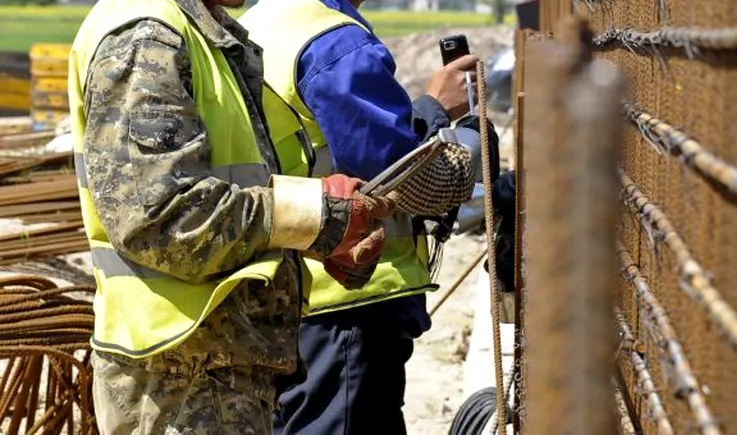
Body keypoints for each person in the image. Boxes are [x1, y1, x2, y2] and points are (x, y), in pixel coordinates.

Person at [67, 0, 396, 431]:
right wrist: (319, 218)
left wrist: (313, 227)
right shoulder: (148, 35)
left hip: (199, 368)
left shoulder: (192, 30)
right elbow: (162, 217)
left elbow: (212, 187)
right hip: (184, 374)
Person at [238, 0, 486, 432]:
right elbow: (400, 174)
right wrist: (443, 116)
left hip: (279, 293)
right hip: (349, 301)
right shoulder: (332, 40)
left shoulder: (253, 22)